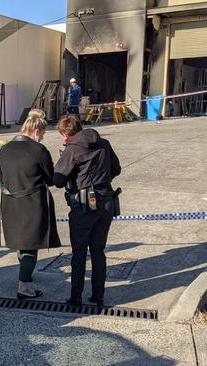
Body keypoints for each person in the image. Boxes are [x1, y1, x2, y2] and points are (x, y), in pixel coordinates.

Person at [53, 115, 121, 307]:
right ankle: (98, 296)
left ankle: (76, 297)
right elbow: (116, 169)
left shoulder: (72, 149)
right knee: (99, 251)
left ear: (66, 134)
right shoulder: (104, 143)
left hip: (84, 205)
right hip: (106, 201)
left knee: (80, 252)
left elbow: (58, 181)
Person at [0, 109, 61, 300]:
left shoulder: (5, 148)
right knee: (31, 245)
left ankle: (25, 275)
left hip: (9, 202)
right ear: (36, 131)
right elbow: (51, 179)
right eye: (42, 134)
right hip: (32, 203)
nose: (42, 138)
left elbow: (1, 176)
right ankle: (23, 287)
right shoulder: (38, 150)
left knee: (20, 242)